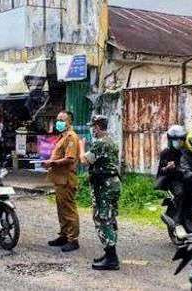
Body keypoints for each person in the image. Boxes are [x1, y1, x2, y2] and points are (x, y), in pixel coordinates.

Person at [80, 115, 121, 271]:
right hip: (112, 184)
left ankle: (112, 258)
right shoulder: (111, 142)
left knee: (103, 219)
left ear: (97, 127)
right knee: (109, 218)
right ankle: (109, 253)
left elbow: (85, 160)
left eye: (93, 127)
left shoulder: (100, 144)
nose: (93, 130)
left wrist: (81, 147)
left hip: (104, 186)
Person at [43, 111, 81, 252]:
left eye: (62, 120)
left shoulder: (71, 137)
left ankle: (73, 239)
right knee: (61, 209)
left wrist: (52, 163)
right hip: (60, 179)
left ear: (69, 122)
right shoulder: (62, 136)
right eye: (58, 119)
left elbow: (70, 158)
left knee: (69, 210)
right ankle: (64, 235)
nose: (59, 122)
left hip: (66, 179)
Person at [156, 125, 186, 238]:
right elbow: (161, 171)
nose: (179, 143)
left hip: (187, 178)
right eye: (176, 140)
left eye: (181, 140)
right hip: (172, 180)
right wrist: (168, 168)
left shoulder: (187, 151)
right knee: (181, 193)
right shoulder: (166, 153)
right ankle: (177, 221)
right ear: (170, 140)